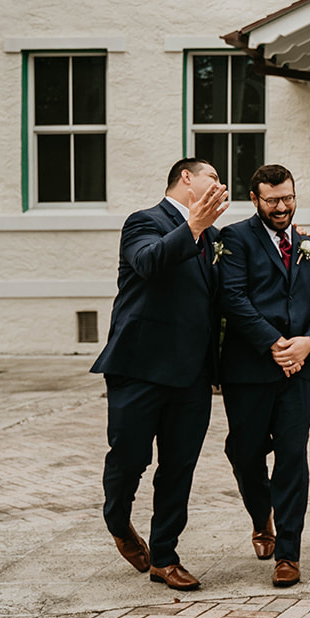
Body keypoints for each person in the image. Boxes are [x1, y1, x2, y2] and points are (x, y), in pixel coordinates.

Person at [92, 157, 228, 592]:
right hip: (139, 368)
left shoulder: (214, 238)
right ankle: (117, 517)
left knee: (178, 468)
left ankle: (165, 557)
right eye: (213, 178)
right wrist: (191, 227)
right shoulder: (143, 222)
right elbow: (149, 263)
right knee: (130, 458)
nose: (219, 187)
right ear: (186, 178)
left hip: (192, 374)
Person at [217, 163, 310, 588]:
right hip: (249, 369)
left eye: (287, 198)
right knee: (244, 452)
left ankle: (288, 552)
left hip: (301, 370)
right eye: (273, 201)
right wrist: (273, 343)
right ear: (256, 200)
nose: (282, 207)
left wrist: (308, 343)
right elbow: (232, 297)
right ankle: (260, 517)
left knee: (292, 455)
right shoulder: (234, 239)